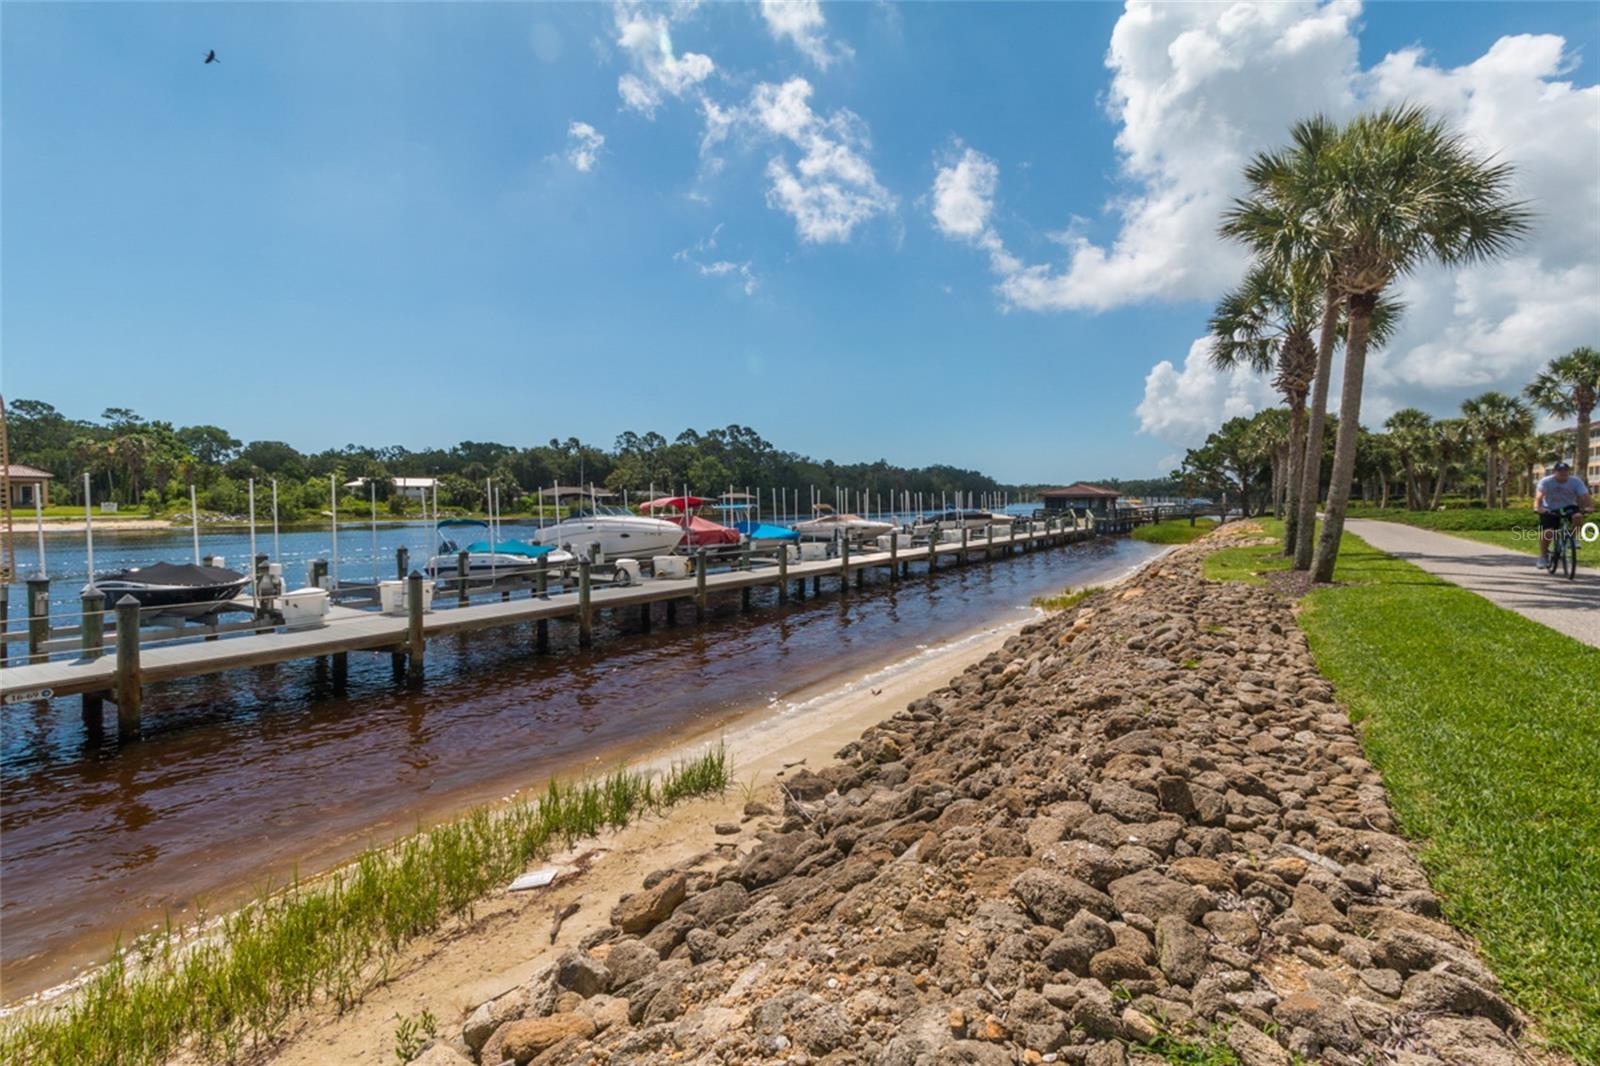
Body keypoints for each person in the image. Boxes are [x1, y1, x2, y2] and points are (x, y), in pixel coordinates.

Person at [1534, 461, 1593, 568]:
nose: (1563, 474)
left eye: (1565, 472)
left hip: (1568, 507)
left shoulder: (1575, 481)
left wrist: (1589, 506)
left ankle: (1573, 539)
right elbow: (1539, 496)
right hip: (1550, 508)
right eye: (1560, 472)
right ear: (1554, 472)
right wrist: (1538, 508)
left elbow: (1585, 495)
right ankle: (1543, 556)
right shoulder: (1546, 481)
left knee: (1578, 516)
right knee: (1548, 532)